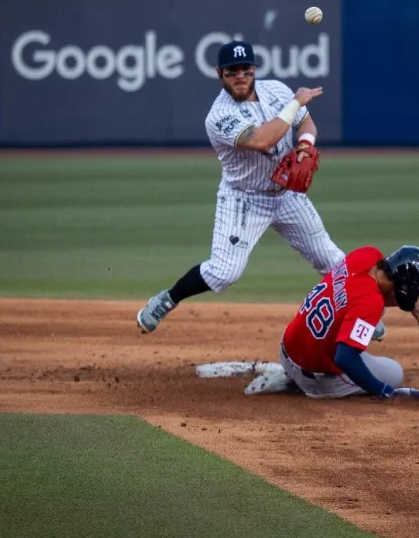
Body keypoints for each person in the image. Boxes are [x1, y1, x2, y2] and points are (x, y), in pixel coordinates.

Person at [136, 41, 344, 333]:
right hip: (245, 199)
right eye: (232, 72)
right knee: (224, 273)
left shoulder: (277, 91)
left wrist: (305, 146)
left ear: (254, 69)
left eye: (246, 70)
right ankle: (167, 299)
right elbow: (262, 140)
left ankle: (356, 315)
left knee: (333, 260)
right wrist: (296, 102)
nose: (240, 76)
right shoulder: (219, 116)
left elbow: (307, 124)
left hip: (286, 195)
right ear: (219, 73)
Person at [244, 245, 419, 400]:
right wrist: (384, 391)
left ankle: (293, 373)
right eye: (414, 292)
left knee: (367, 311)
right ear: (405, 287)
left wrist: (412, 304)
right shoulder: (370, 302)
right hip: (316, 378)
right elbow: (345, 358)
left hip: (288, 346)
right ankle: (295, 383)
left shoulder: (367, 255)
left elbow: (361, 293)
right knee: (393, 372)